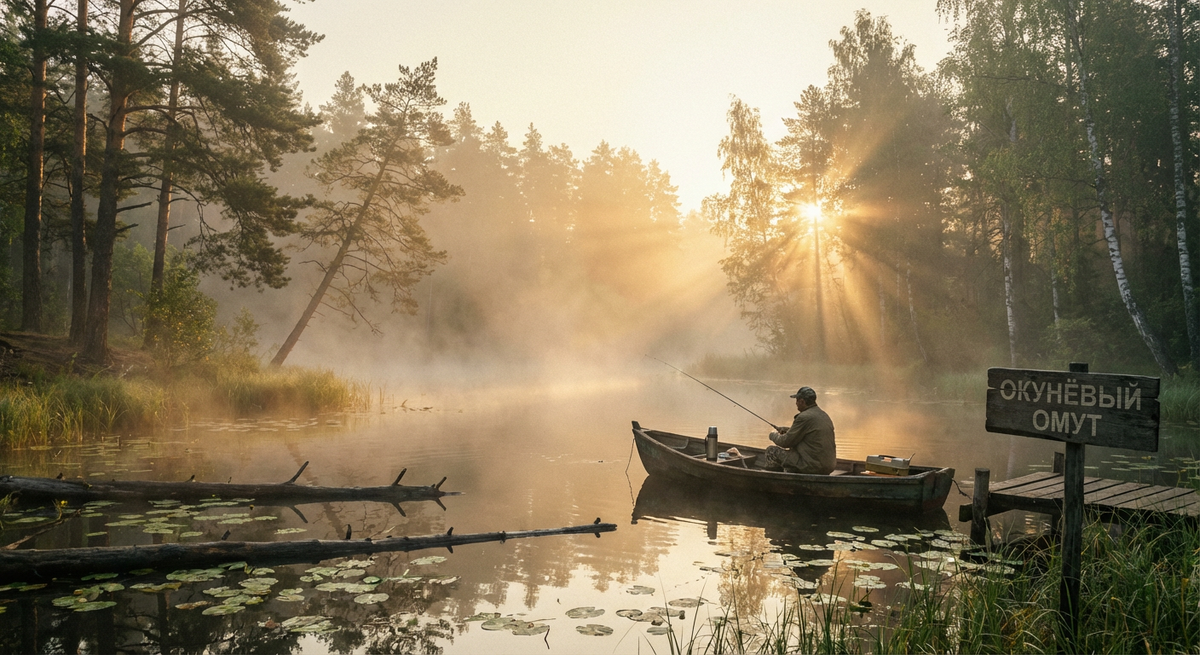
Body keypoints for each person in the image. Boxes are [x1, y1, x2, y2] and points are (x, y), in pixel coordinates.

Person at [758, 386, 836, 474]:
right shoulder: (823, 415)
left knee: (771, 451)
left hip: (811, 466)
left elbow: (786, 442)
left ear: (802, 401)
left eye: (797, 400)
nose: (796, 403)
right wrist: (787, 430)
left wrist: (772, 435)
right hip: (828, 466)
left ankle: (776, 481)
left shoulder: (803, 417)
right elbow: (808, 433)